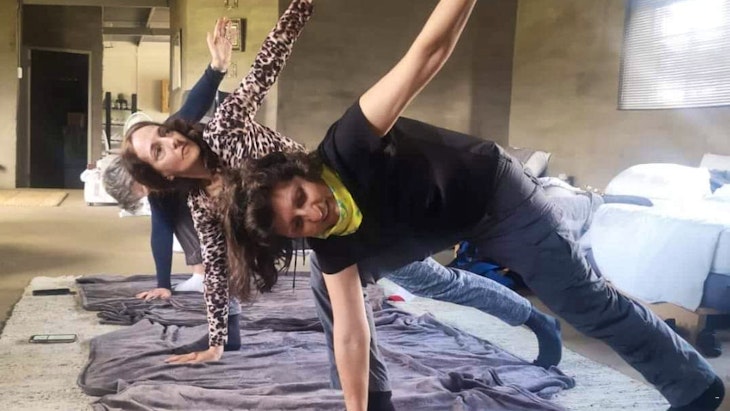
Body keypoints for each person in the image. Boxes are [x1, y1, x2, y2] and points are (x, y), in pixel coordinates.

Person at [220, 0, 724, 410]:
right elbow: (351, 334)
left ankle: (696, 388)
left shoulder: (349, 142)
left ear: (303, 172)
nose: (313, 215)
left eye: (302, 199)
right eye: (297, 225)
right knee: (331, 289)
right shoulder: (328, 242)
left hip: (493, 196)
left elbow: (426, 54)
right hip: (417, 225)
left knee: (585, 303)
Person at [116, 0, 565, 376]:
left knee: (435, 282)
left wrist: (301, 5)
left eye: (165, 134)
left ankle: (533, 319)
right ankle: (364, 394)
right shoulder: (202, 204)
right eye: (159, 151)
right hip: (316, 237)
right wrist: (218, 340)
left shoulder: (224, 128)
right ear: (163, 176)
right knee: (338, 305)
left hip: (345, 199)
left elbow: (266, 65)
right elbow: (217, 270)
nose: (173, 142)